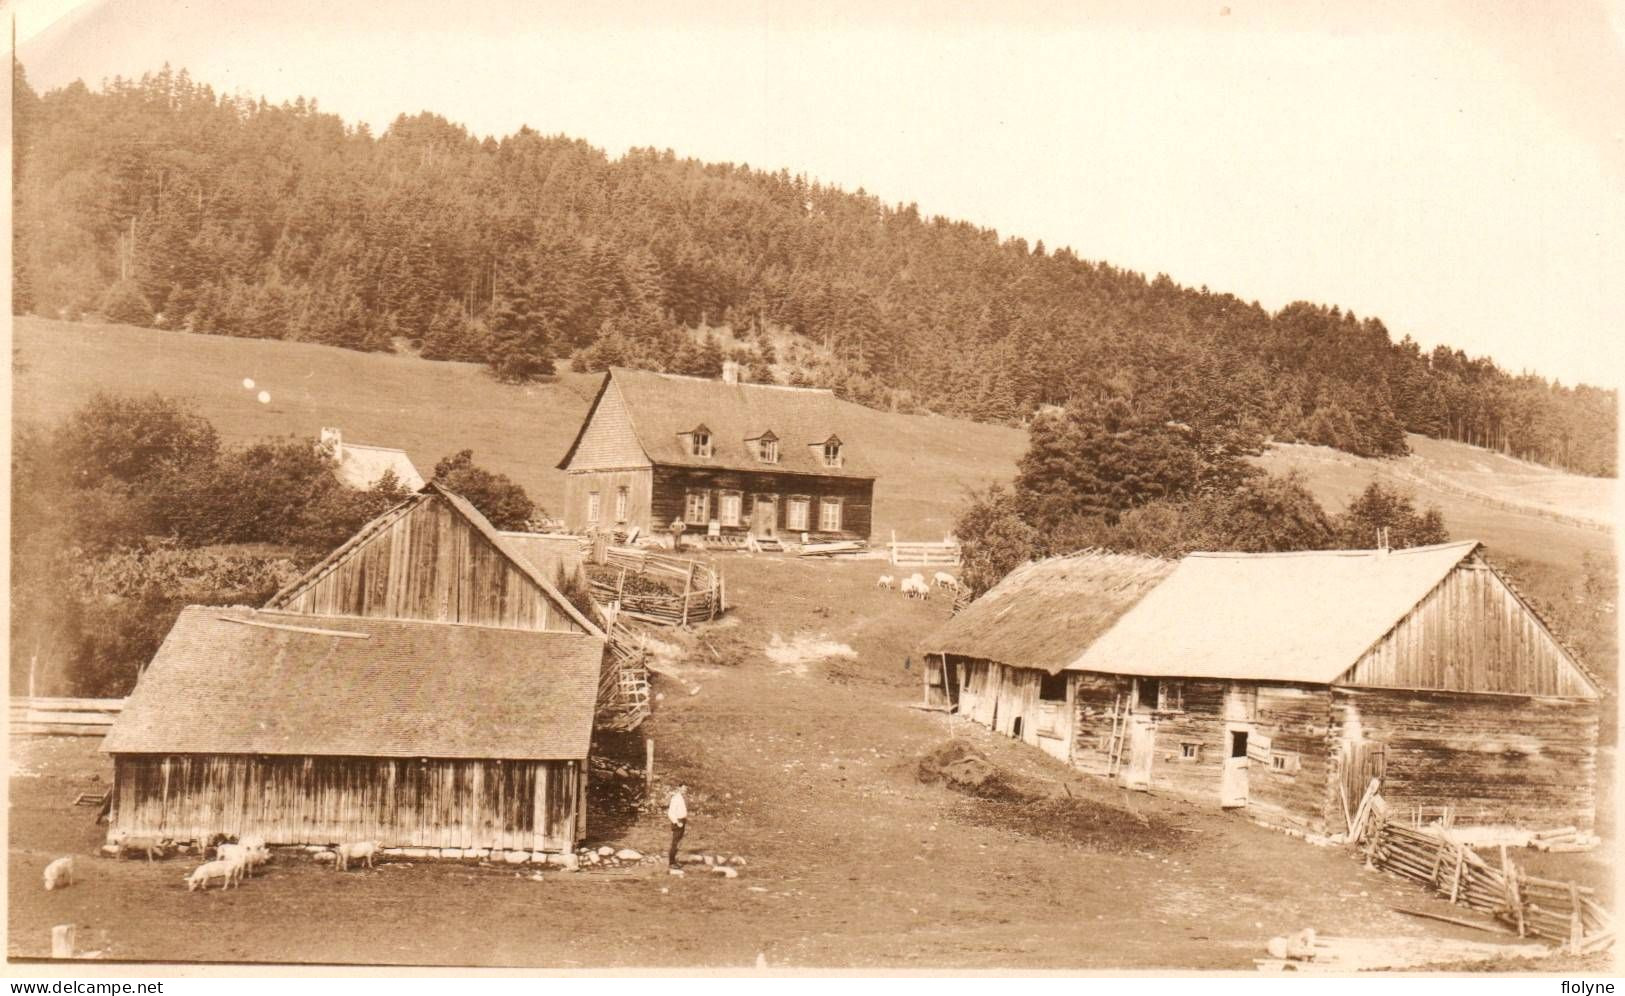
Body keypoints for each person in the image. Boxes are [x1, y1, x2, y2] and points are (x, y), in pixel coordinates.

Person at [667, 783, 688, 869]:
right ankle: (671, 863)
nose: (685, 790)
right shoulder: (675, 798)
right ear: (679, 788)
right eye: (683, 788)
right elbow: (670, 813)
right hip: (677, 822)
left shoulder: (682, 798)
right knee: (675, 843)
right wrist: (676, 822)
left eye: (686, 789)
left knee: (678, 843)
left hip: (682, 821)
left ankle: (674, 861)